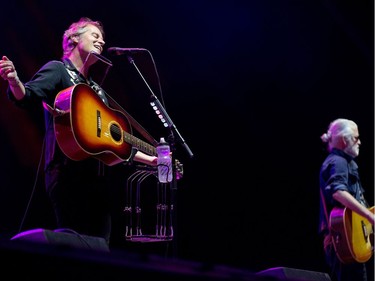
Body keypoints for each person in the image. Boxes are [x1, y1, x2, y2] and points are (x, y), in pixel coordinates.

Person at [0, 17, 158, 245]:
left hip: (98, 180)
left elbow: (114, 143)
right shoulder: (58, 70)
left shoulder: (98, 91)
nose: (101, 42)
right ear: (73, 38)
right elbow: (28, 96)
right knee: (77, 244)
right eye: (95, 36)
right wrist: (14, 81)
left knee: (99, 246)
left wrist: (152, 160)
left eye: (103, 40)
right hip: (67, 173)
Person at [318, 118, 374, 281]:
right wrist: (370, 217)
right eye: (356, 138)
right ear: (344, 139)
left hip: (350, 239)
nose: (360, 142)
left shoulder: (346, 162)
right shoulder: (339, 161)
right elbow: (338, 192)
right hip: (343, 242)